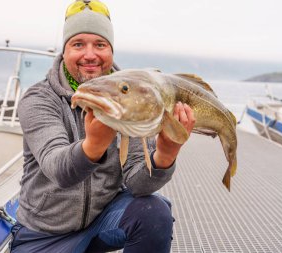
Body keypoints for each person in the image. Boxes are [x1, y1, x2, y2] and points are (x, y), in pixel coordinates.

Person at [10, 0, 195, 252]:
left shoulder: (132, 97)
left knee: (154, 212)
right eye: (78, 44)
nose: (90, 54)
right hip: (43, 235)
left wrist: (165, 155)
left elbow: (139, 184)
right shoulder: (39, 100)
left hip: (101, 224)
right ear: (64, 51)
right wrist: (93, 146)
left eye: (100, 44)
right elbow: (58, 170)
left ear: (111, 51)